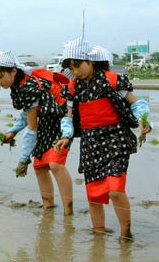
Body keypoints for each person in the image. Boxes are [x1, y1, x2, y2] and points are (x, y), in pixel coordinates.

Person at [54, 37, 152, 240]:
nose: (75, 71)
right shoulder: (73, 88)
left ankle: (126, 234)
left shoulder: (112, 80)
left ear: (90, 61)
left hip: (116, 138)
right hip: (90, 142)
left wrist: (143, 119)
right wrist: (65, 136)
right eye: (70, 67)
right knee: (95, 194)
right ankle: (98, 236)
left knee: (115, 189)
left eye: (78, 65)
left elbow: (136, 103)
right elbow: (68, 117)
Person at [0, 51, 73, 215]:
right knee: (40, 166)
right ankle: (49, 207)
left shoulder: (28, 86)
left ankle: (68, 212)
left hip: (62, 120)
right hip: (47, 120)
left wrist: (23, 159)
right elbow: (28, 112)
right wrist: (13, 131)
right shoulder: (18, 85)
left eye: (0, 76)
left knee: (55, 164)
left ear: (13, 70)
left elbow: (32, 128)